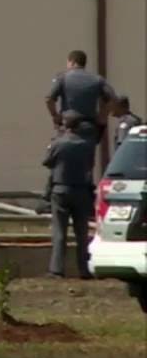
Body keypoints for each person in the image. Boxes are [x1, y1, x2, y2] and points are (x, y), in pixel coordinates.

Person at [45, 50, 117, 177]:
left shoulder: (63, 78)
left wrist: (55, 116)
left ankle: (57, 191)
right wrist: (103, 115)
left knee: (61, 164)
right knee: (86, 167)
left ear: (71, 62)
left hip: (67, 129)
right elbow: (113, 99)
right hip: (88, 129)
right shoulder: (97, 79)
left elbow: (49, 99)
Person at [43, 111, 97, 280]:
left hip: (60, 190)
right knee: (82, 233)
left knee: (59, 232)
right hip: (81, 191)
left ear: (66, 125)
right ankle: (84, 269)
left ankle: (57, 269)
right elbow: (90, 165)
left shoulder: (59, 143)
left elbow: (47, 162)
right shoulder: (87, 144)